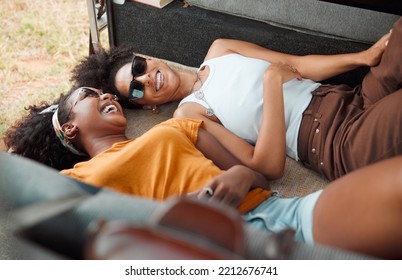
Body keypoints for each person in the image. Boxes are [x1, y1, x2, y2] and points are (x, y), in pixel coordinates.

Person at [5, 87, 402, 259]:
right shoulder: (72, 182)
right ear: (70, 127)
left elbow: (259, 178)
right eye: (90, 96)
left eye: (106, 92)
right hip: (194, 258)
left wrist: (239, 177)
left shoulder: (175, 126)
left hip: (277, 217)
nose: (106, 96)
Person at [70, 17, 402, 181]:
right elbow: (265, 166)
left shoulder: (220, 50)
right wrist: (272, 84)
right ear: (148, 106)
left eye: (138, 67)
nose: (145, 78)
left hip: (353, 97)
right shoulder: (189, 116)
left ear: (148, 58)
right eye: (137, 89)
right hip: (334, 141)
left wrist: (364, 57)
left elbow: (298, 65)